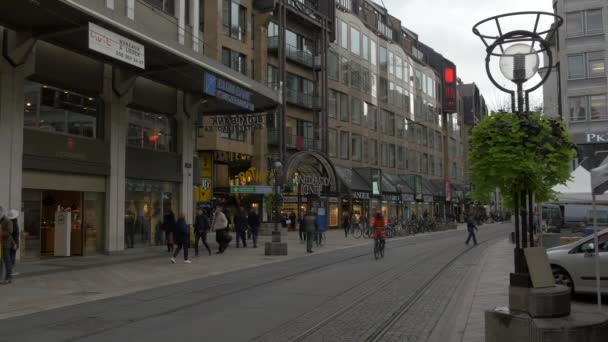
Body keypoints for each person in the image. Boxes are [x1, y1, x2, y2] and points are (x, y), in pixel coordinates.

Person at [0, 207, 15, 284]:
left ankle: (8, 277)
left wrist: (1, 233)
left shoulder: (8, 221)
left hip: (5, 244)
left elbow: (9, 232)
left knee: (7, 261)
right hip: (0, 244)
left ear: (2, 212)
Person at [8, 209, 20, 276]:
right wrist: (15, 244)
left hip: (10, 243)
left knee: (10, 257)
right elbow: (14, 235)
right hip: (13, 243)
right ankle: (11, 271)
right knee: (12, 257)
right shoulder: (14, 224)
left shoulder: (9, 222)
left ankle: (10, 271)